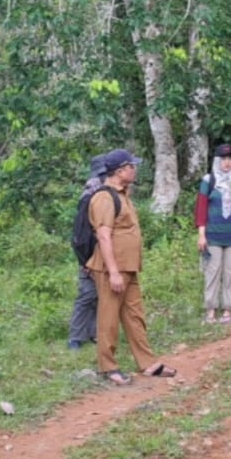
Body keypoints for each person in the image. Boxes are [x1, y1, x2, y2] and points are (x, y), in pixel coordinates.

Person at [88, 149, 176, 384]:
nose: (135, 170)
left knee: (135, 316)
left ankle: (147, 363)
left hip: (129, 267)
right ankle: (108, 367)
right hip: (112, 270)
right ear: (119, 171)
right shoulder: (104, 198)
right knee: (108, 318)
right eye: (132, 166)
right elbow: (104, 236)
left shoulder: (123, 194)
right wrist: (114, 271)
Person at [195, 144, 231, 324]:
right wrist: (201, 234)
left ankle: (229, 310)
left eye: (230, 159)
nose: (227, 163)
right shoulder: (209, 180)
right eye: (224, 159)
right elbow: (201, 208)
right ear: (217, 161)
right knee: (212, 272)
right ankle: (210, 310)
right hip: (213, 235)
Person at [68, 153, 109, 349]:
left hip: (102, 253)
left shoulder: (103, 194)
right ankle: (75, 338)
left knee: (100, 296)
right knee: (87, 295)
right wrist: (86, 261)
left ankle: (94, 333)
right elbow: (82, 236)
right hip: (90, 254)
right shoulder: (91, 197)